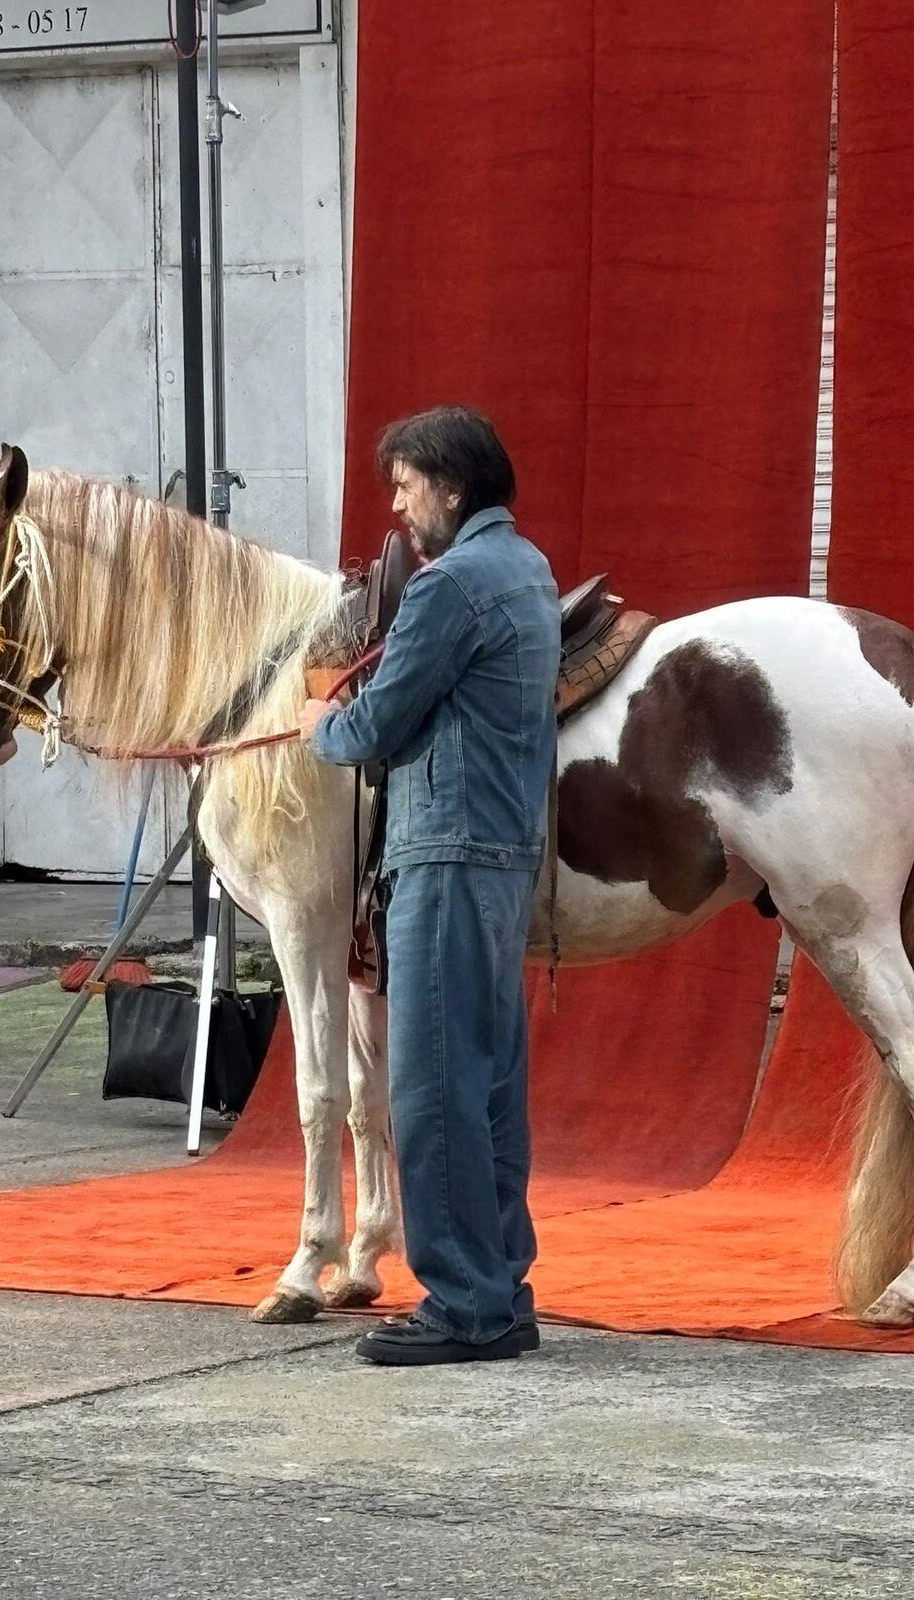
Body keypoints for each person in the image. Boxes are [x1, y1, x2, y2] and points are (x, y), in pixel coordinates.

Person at [300, 405, 561, 1367]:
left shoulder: (449, 588)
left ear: (452, 486)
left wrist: (312, 726)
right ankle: (501, 1284)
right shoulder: (526, 569)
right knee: (489, 1086)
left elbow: (373, 726)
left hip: (444, 855)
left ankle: (462, 1303)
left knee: (433, 1086)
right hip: (501, 857)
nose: (400, 506)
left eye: (407, 486)